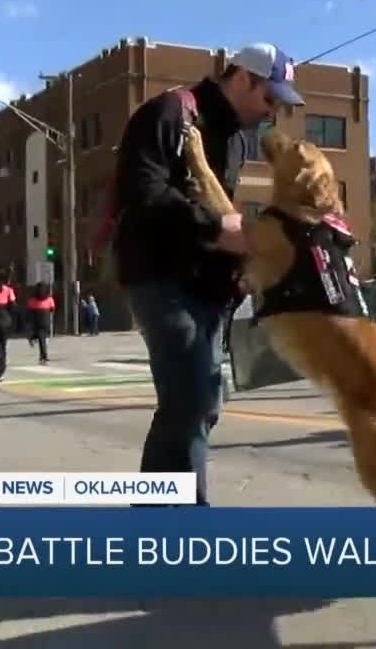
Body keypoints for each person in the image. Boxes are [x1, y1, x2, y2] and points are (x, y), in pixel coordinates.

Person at [111, 41, 304, 506]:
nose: (273, 111)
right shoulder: (169, 115)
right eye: (269, 98)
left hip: (210, 288)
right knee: (192, 400)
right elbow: (144, 196)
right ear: (243, 78)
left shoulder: (236, 137)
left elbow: (219, 206)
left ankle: (155, 515)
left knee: (197, 405)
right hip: (161, 277)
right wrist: (216, 228)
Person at [26, 282, 56, 364]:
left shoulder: (32, 300)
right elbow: (52, 309)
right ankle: (43, 357)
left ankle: (33, 339)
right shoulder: (49, 299)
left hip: (35, 321)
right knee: (43, 339)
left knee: (39, 338)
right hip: (45, 321)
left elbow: (29, 310)